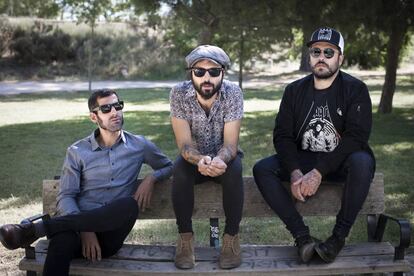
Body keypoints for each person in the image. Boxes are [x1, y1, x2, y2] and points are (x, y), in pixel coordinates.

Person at [0, 89, 173, 275]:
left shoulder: (140, 145)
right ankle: (47, 231)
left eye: (118, 106)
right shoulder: (77, 151)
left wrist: (152, 178)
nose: (114, 112)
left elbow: (171, 166)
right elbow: (66, 195)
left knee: (129, 204)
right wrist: (85, 229)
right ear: (93, 117)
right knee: (61, 240)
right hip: (76, 234)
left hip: (110, 236)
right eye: (106, 109)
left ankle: (35, 230)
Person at [253, 27, 375, 264]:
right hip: (305, 158)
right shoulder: (294, 90)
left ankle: (337, 239)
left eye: (329, 52)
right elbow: (282, 136)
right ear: (309, 56)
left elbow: (356, 137)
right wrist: (295, 171)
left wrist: (318, 172)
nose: (321, 57)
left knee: (362, 161)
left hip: (341, 161)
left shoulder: (355, 89)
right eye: (316, 51)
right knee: (262, 168)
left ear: (341, 58)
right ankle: (302, 237)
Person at [169, 45, 244, 269]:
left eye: (213, 71)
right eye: (199, 72)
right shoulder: (178, 93)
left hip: (224, 160)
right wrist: (199, 160)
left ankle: (231, 239)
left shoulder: (233, 93)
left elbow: (231, 144)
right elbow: (184, 144)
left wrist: (220, 159)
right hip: (194, 160)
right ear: (191, 72)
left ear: (223, 72)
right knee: (180, 169)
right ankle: (185, 240)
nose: (206, 78)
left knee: (236, 168)